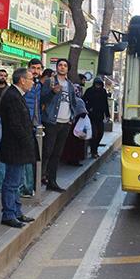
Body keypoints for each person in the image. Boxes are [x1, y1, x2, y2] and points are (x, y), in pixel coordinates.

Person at [0, 68, 37, 229]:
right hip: (15, 147)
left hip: (19, 147)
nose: (32, 82)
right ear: (22, 80)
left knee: (18, 181)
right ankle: (8, 214)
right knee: (12, 182)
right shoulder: (12, 96)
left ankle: (16, 211)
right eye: (30, 79)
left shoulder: (18, 95)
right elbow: (15, 125)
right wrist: (27, 141)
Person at [40, 58, 79, 192]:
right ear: (56, 67)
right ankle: (39, 178)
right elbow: (42, 99)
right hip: (51, 122)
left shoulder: (70, 85)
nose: (62, 67)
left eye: (64, 65)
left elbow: (74, 102)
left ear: (68, 69)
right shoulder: (50, 82)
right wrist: (52, 92)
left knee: (57, 153)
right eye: (60, 65)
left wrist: (71, 117)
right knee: (47, 151)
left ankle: (52, 181)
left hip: (65, 123)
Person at [20, 59, 43, 197]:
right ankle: (26, 188)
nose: (35, 71)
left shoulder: (39, 86)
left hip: (35, 124)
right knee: (25, 159)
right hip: (24, 124)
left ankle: (29, 187)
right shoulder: (24, 84)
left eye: (38, 68)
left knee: (32, 158)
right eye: (33, 68)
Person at [83, 77, 111, 158]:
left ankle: (94, 148)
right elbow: (84, 100)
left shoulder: (103, 92)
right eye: (96, 84)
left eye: (99, 84)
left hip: (100, 116)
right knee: (94, 134)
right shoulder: (89, 91)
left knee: (100, 134)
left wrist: (107, 115)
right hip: (91, 116)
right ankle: (93, 151)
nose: (98, 86)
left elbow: (105, 103)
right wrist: (88, 109)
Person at [61, 97, 88, 166]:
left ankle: (68, 158)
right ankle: (75, 160)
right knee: (77, 144)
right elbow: (83, 113)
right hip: (79, 127)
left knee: (69, 143)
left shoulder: (68, 100)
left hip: (70, 124)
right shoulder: (80, 101)